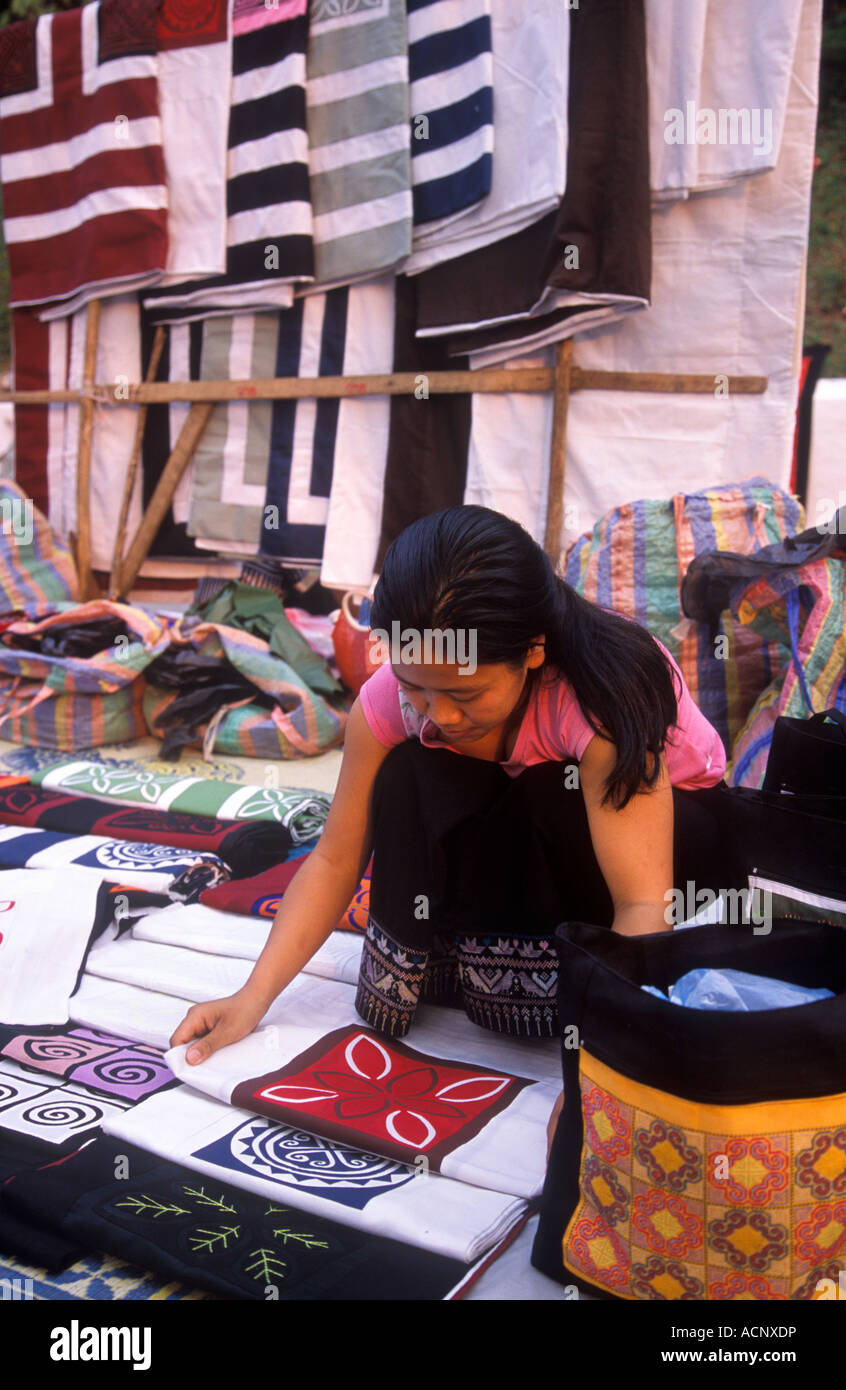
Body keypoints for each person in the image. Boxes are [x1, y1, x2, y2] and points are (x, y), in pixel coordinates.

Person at [171, 506, 733, 1091]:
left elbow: (644, 905)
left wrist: (599, 1079)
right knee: (409, 773)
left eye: (466, 693)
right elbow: (336, 858)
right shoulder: (394, 698)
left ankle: (564, 1000)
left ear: (533, 651)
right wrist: (251, 998)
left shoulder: (601, 699)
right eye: (416, 687)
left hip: (672, 865)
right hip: (535, 840)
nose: (438, 713)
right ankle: (472, 978)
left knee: (547, 791)